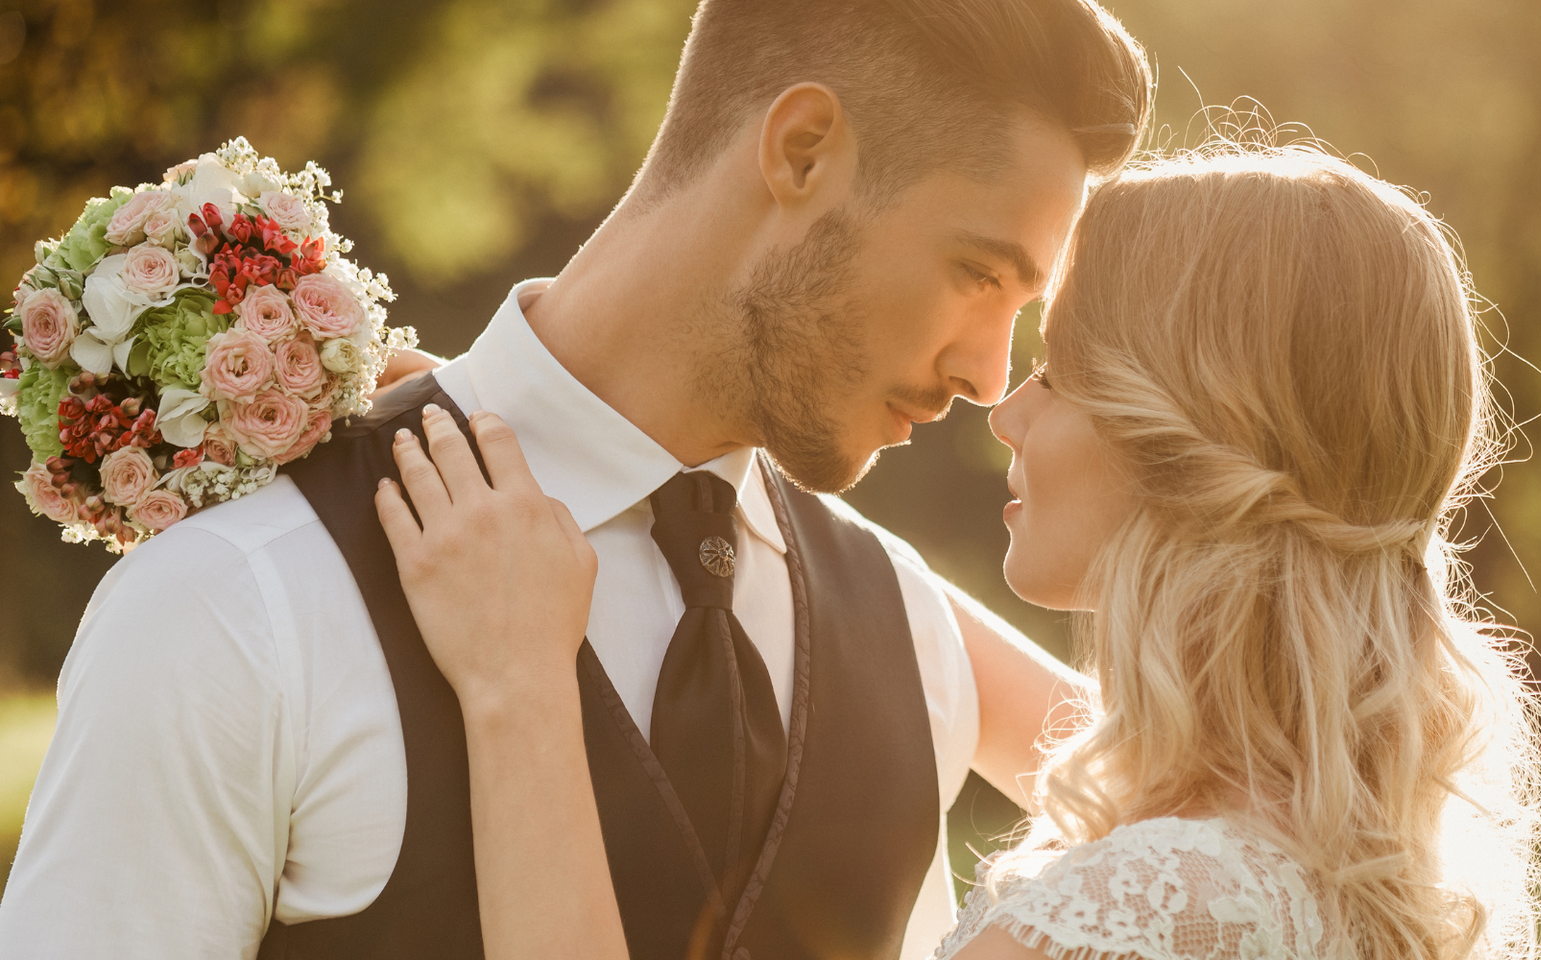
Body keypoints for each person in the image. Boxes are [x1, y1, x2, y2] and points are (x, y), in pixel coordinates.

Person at [0, 1, 1151, 958]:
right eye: (977, 274)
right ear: (802, 150)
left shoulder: (910, 632)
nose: (987, 373)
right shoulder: (238, 601)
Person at [381, 142, 1541, 960]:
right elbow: (883, 607)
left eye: (1061, 369)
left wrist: (517, 686)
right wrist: (534, 416)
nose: (1007, 406)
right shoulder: (1319, 840)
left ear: (1185, 437)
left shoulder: (1132, 915)